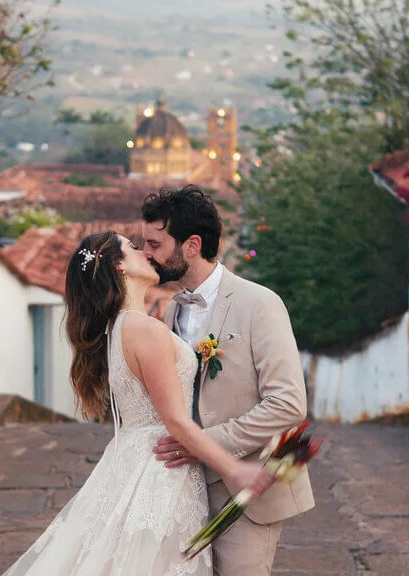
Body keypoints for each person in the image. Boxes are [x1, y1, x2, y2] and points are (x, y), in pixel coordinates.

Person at [2, 230, 272, 576]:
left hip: (132, 460)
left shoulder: (117, 328)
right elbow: (175, 420)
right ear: (120, 267)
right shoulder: (144, 329)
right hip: (159, 470)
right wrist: (235, 468)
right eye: (132, 247)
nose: (145, 251)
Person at [142, 185, 315, 576]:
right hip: (184, 492)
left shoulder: (260, 304)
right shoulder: (171, 312)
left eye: (155, 243)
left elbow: (289, 403)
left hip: (248, 492)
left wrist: (202, 445)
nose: (147, 253)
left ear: (191, 245)